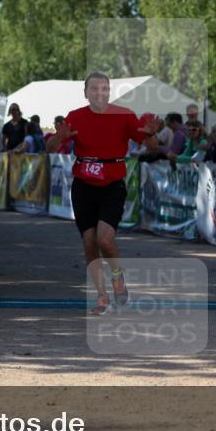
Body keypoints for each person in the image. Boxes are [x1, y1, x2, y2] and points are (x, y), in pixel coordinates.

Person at [45, 72, 159, 315]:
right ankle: (102, 297)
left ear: (109, 92)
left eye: (104, 89)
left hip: (112, 184)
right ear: (86, 93)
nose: (100, 93)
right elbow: (51, 148)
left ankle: (118, 280)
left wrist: (150, 133)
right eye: (94, 89)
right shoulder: (75, 117)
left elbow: (152, 146)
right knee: (89, 243)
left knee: (105, 240)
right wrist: (59, 137)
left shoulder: (124, 115)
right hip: (84, 186)